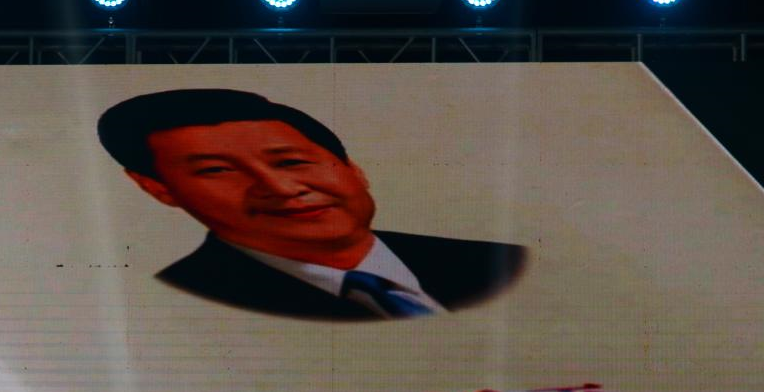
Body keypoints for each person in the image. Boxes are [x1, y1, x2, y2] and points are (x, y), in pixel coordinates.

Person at [97, 88, 526, 320]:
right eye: (217, 170)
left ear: (353, 169)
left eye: (291, 162)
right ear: (158, 189)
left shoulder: (497, 264)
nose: (281, 188)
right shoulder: (183, 305)